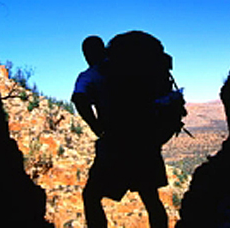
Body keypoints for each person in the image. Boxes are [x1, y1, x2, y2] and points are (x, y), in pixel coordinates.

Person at [81, 31, 173, 228]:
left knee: (91, 196)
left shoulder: (91, 75)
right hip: (143, 142)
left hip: (115, 145)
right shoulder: (127, 69)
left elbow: (80, 100)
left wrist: (97, 127)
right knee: (150, 197)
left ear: (88, 54)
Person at [71, 36, 107, 136]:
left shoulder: (88, 76)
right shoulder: (123, 67)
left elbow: (79, 98)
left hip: (111, 132)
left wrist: (96, 128)